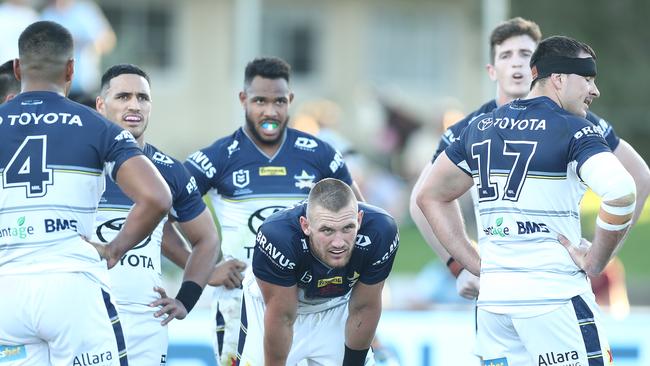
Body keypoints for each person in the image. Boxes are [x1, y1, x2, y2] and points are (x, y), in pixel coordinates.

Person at [417, 35, 636, 365]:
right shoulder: (576, 129)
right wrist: (595, 262)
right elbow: (621, 192)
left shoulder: (480, 126)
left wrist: (474, 263)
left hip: (494, 306)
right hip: (553, 300)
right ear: (559, 79)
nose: (595, 90)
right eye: (588, 79)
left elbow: (429, 195)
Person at [0, 21, 171, 365]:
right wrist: (114, 249)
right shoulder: (98, 126)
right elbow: (157, 197)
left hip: (7, 289)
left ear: (18, 68)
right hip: (72, 287)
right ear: (71, 69)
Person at [183, 56, 364, 365]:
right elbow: (166, 206)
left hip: (310, 301)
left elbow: (358, 216)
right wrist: (207, 270)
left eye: (279, 101)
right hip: (240, 300)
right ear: (243, 99)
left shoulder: (319, 154)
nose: (270, 111)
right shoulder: (219, 156)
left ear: (290, 100)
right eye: (260, 101)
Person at [93, 63, 220, 365]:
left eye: (143, 97)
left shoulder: (170, 170)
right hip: (86, 312)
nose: (134, 105)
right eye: (123, 96)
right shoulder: (80, 162)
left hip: (146, 320)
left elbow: (207, 239)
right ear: (101, 105)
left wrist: (185, 300)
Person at [237, 178, 399, 365]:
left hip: (336, 305)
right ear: (306, 225)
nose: (339, 243)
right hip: (274, 309)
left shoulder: (381, 230)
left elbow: (364, 308)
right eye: (327, 230)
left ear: (359, 219)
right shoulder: (278, 236)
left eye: (348, 228)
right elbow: (282, 317)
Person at [41, 0, 116, 101]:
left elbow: (108, 41)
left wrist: (89, 45)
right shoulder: (47, 14)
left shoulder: (86, 11)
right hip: (54, 87)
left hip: (85, 85)